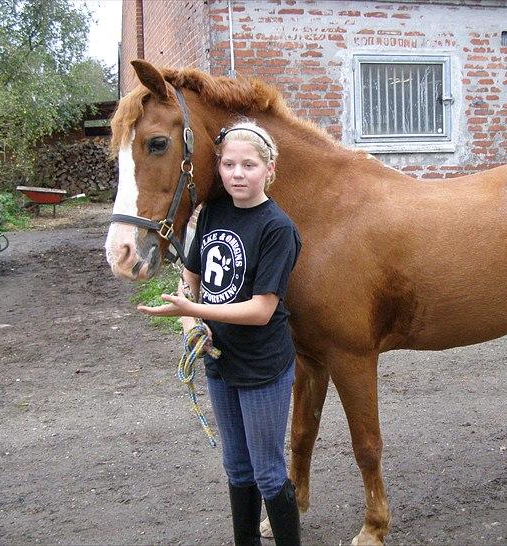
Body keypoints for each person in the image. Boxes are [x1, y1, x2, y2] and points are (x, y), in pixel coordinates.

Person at [138, 120, 302, 546]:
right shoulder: (212, 212)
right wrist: (191, 323)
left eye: (249, 164)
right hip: (219, 361)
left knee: (267, 470)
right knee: (236, 466)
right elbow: (189, 278)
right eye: (229, 164)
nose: (237, 173)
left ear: (269, 169)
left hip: (262, 366)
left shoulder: (277, 227)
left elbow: (263, 309)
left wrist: (194, 309)